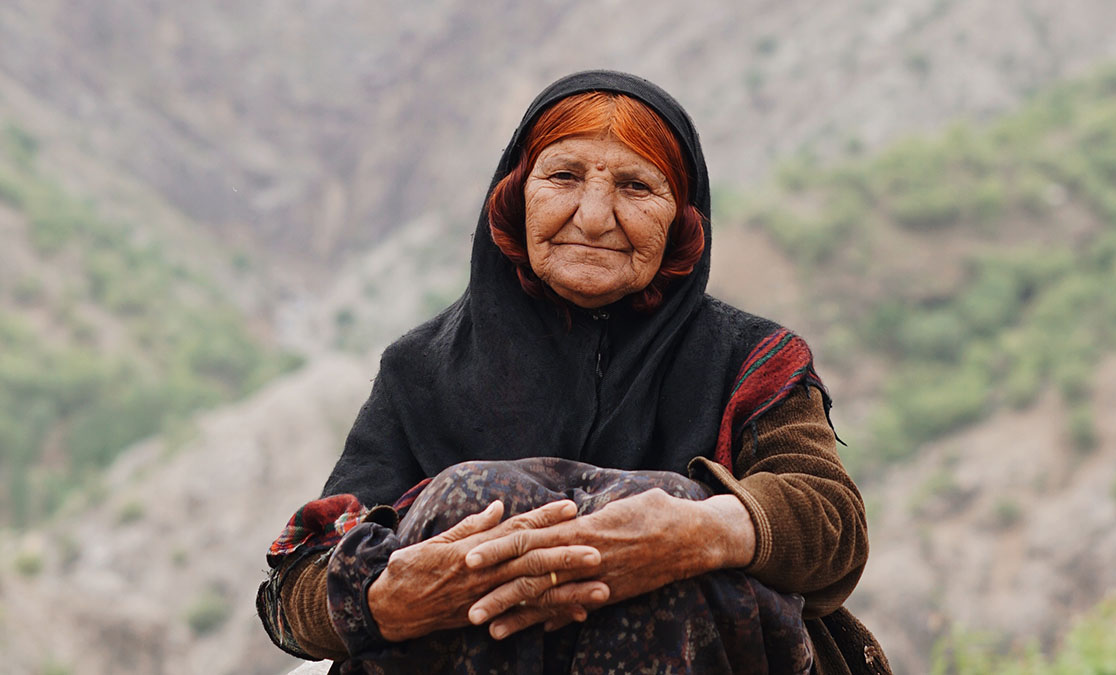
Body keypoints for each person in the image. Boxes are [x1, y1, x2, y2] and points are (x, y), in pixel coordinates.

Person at [257, 70, 890, 675]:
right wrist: (383, 600)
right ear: (514, 197)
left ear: (682, 219)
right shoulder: (419, 370)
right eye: (563, 176)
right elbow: (292, 590)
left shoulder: (751, 360)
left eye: (636, 188)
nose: (592, 216)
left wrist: (700, 531)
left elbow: (831, 526)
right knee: (462, 501)